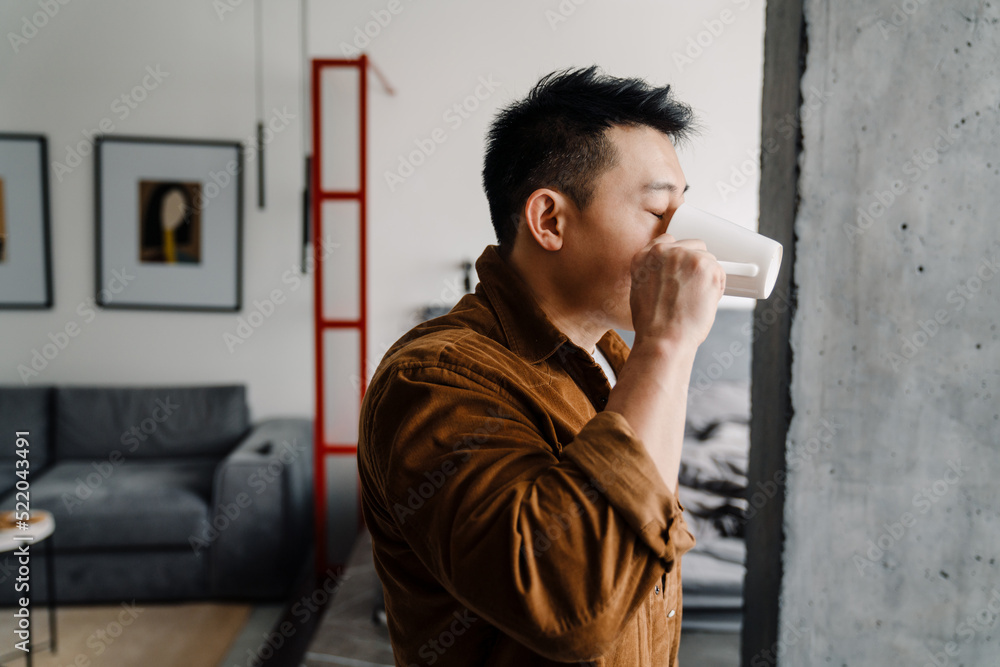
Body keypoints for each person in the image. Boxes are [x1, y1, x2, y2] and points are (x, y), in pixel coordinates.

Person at [357, 65, 726, 666]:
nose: (680, 242)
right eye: (659, 212)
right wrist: (668, 344)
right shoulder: (432, 379)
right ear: (550, 221)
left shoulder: (609, 357)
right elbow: (571, 603)